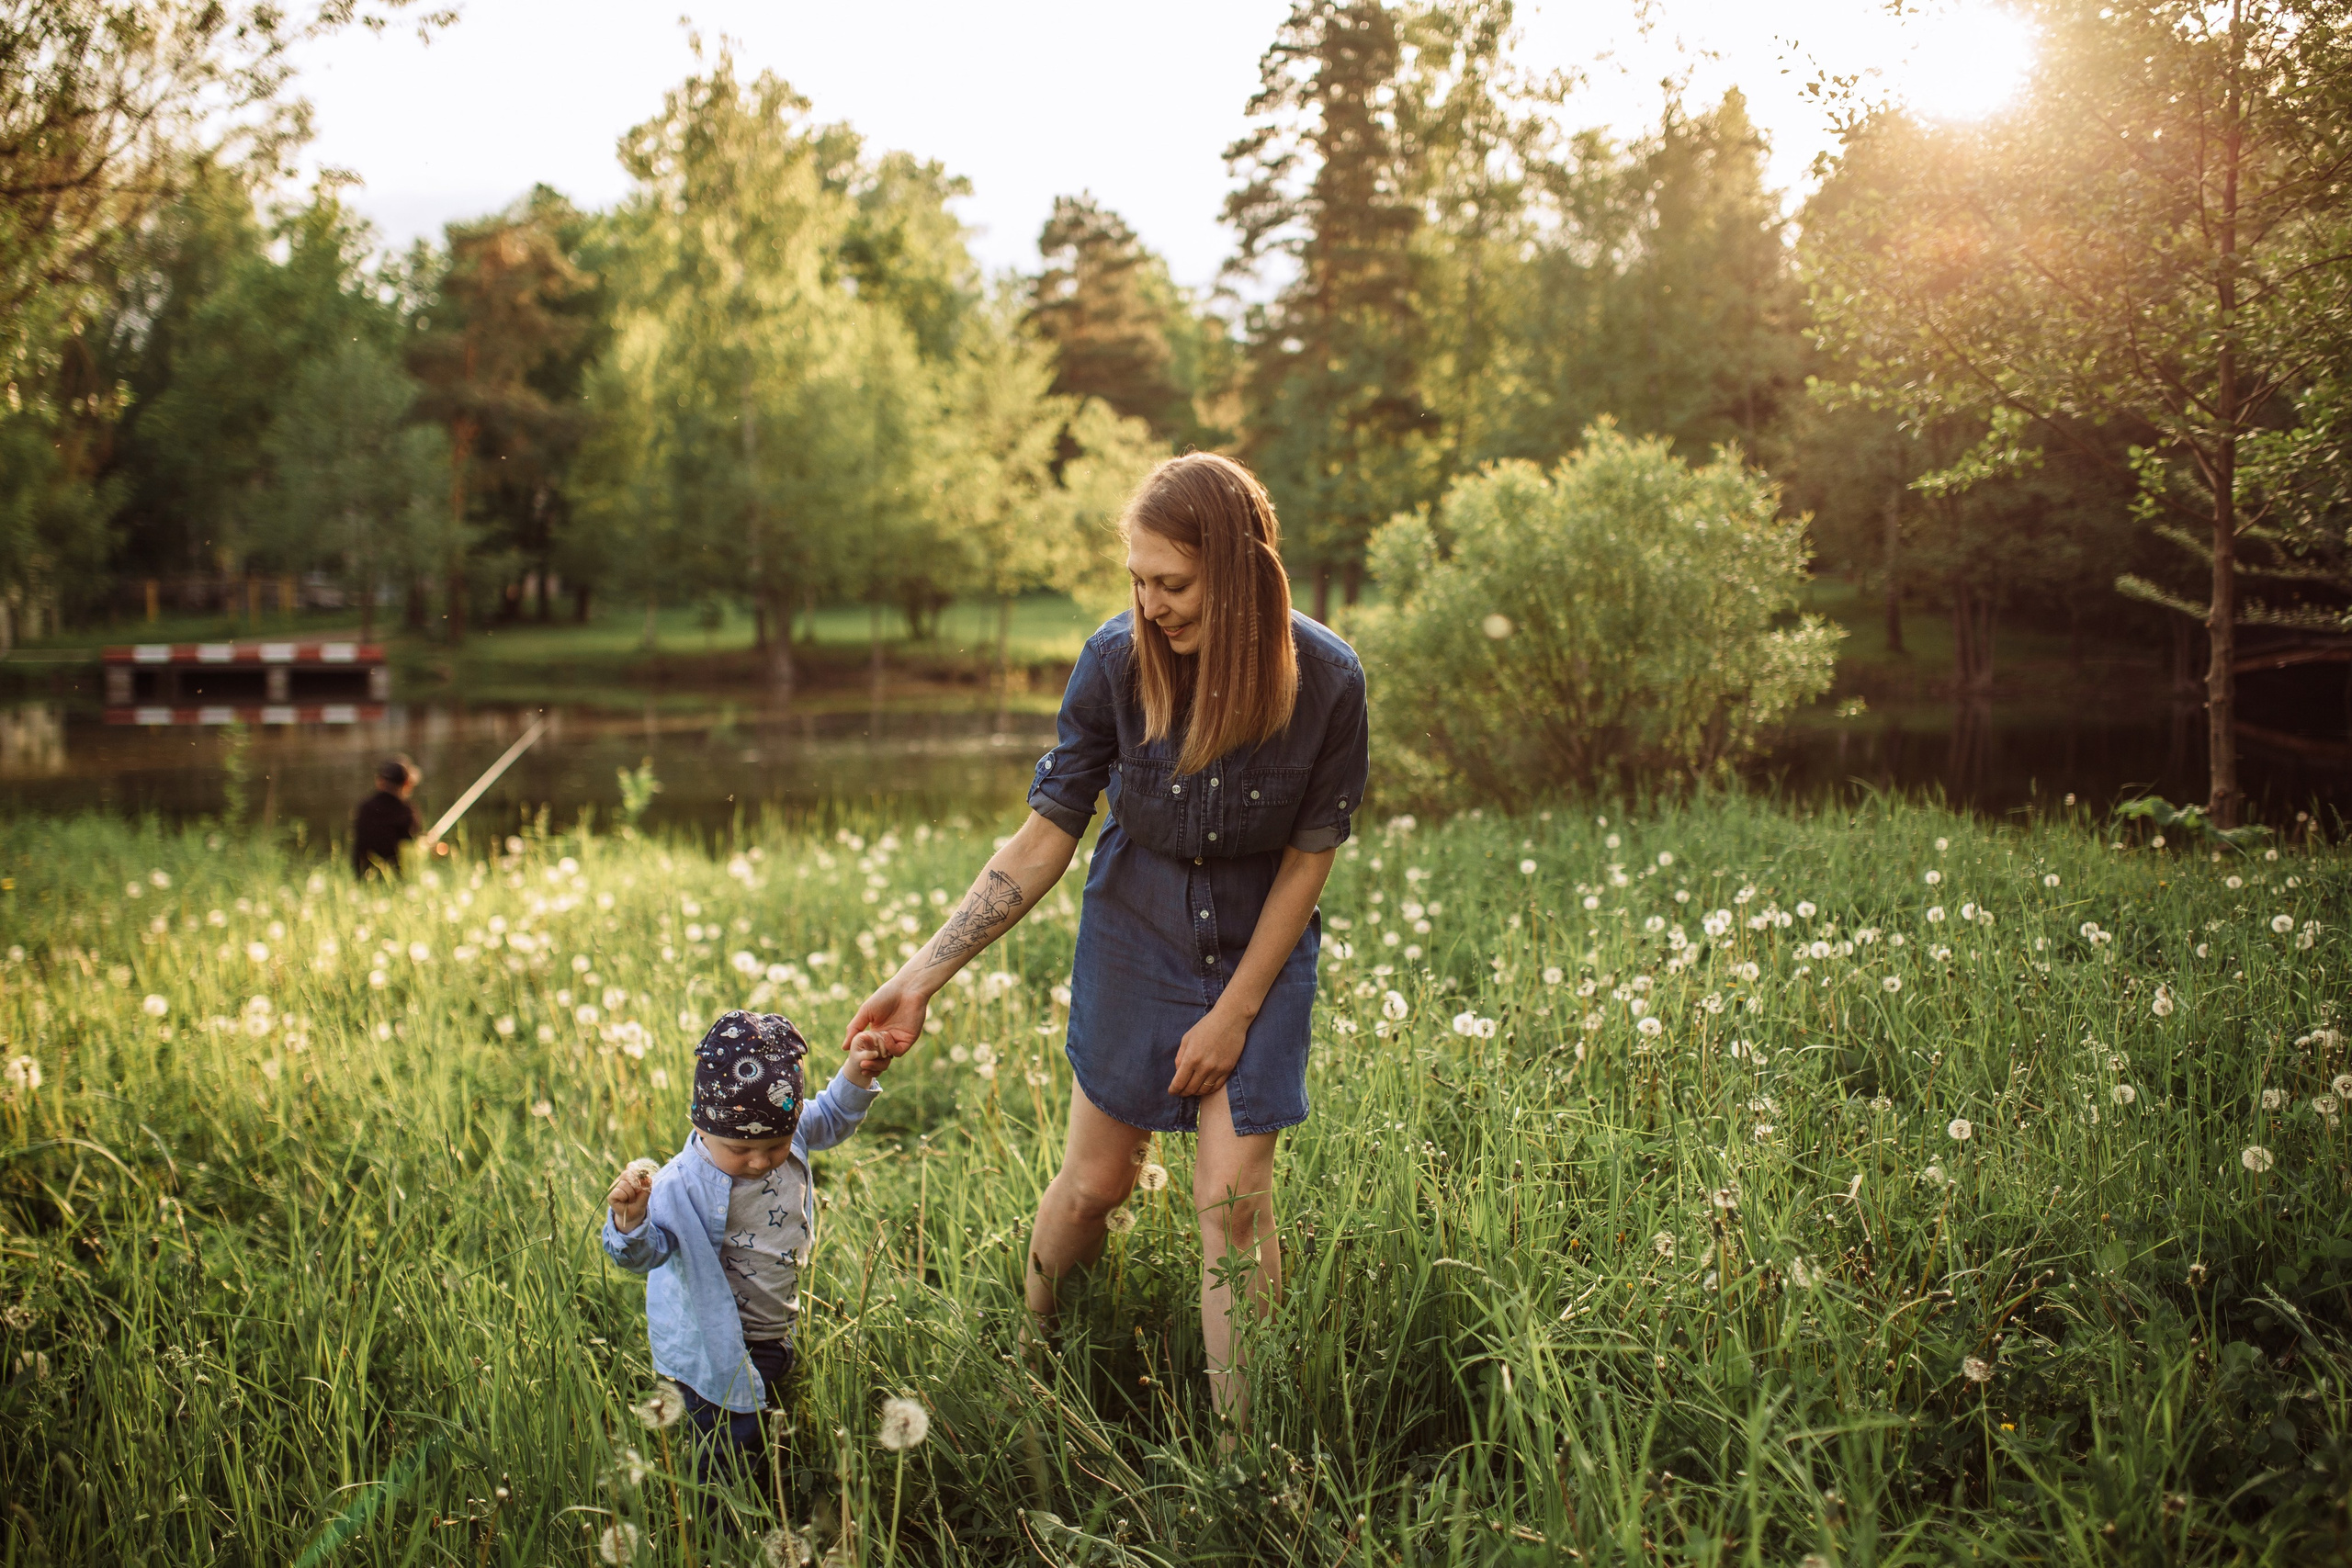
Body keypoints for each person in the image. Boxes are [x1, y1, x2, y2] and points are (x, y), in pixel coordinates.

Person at [847, 452, 1368, 1436]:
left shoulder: (1329, 680)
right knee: (1096, 1182)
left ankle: (1240, 1456)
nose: (1150, 602)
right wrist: (921, 977)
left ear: (1243, 572)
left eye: (1171, 582)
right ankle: (1032, 1356)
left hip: (1260, 942)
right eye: (1136, 577)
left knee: (1234, 1204)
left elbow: (1308, 860)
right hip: (1137, 926)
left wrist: (1233, 1013)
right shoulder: (1116, 662)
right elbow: (1046, 834)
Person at [604, 1012, 893, 1509]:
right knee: (724, 1445)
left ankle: (770, 1473)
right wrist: (630, 1222)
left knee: (765, 1417)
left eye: (776, 1146)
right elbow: (646, 1256)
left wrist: (858, 1073)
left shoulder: (790, 1128)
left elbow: (831, 1115)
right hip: (713, 1341)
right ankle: (720, 1519)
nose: (760, 1160)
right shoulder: (681, 1184)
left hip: (772, 1323)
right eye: (740, 1149)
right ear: (701, 1124)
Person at [350, 756, 422, 878]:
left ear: (379, 781)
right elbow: (413, 841)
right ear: (407, 784)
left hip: (363, 875)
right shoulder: (406, 811)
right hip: (394, 877)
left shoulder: (365, 807)